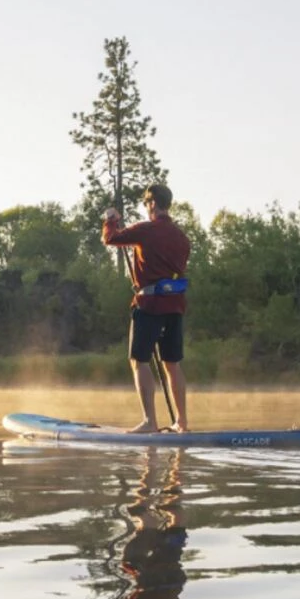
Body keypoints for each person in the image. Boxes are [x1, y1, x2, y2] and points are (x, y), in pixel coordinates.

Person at [102, 184, 191, 433]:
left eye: (146, 203)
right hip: (175, 306)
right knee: (172, 363)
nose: (147, 207)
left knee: (138, 360)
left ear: (152, 203)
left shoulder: (147, 230)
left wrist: (111, 219)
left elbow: (111, 239)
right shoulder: (182, 238)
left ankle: (150, 422)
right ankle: (182, 423)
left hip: (149, 304)